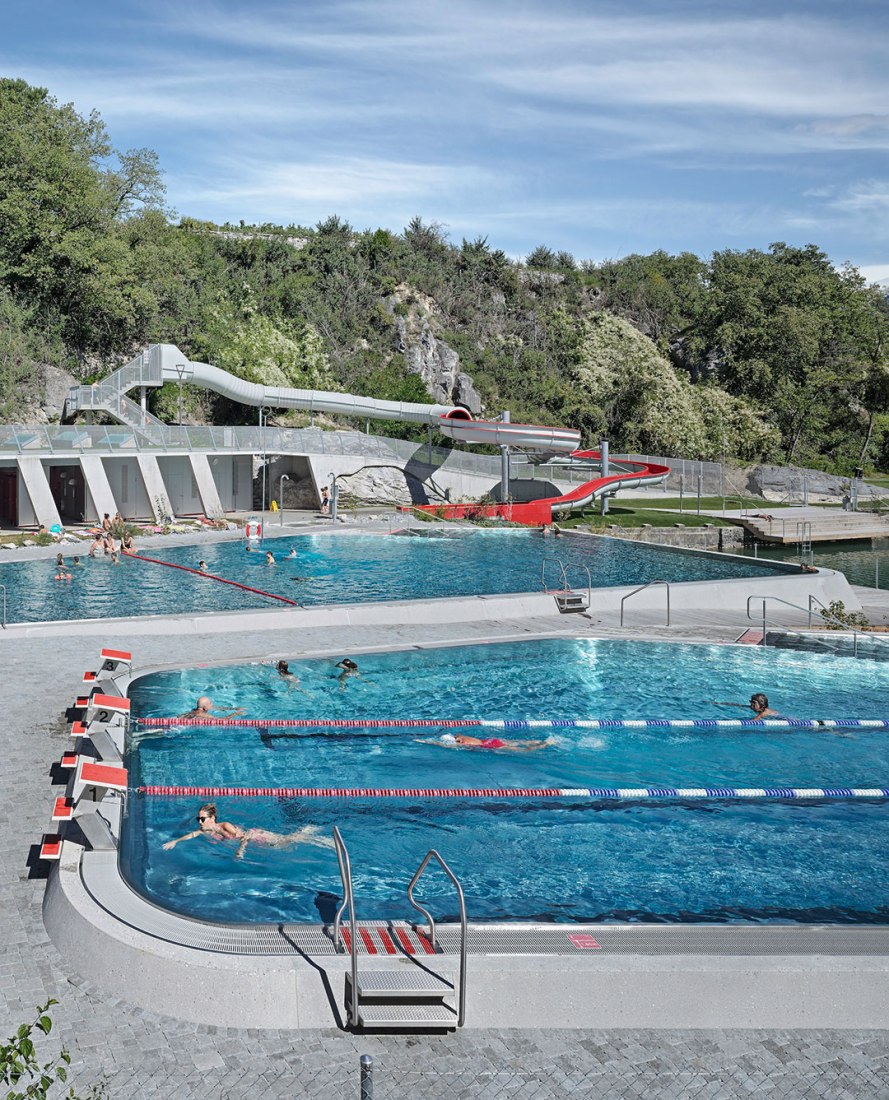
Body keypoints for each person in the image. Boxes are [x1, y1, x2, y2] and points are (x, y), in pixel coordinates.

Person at [162, 803, 334, 859]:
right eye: (198, 819)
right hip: (254, 842)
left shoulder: (224, 826)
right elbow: (191, 835)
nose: (199, 822)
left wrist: (240, 850)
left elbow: (245, 836)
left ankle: (319, 837)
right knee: (287, 842)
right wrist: (175, 841)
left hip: (256, 835)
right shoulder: (207, 831)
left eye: (202, 819)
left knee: (289, 840)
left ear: (212, 819)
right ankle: (308, 831)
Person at [177, 696, 246, 720]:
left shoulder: (195, 710)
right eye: (210, 703)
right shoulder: (204, 715)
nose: (212, 705)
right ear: (205, 708)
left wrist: (234, 708)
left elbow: (217, 708)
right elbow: (222, 720)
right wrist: (235, 714)